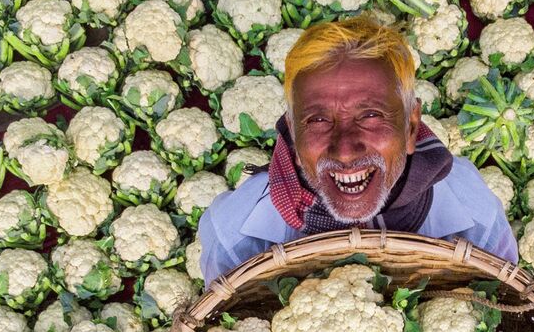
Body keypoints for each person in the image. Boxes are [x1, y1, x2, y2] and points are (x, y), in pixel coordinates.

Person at [197, 16, 517, 283]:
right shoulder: (235, 233)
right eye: (319, 119)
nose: (346, 150)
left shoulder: (472, 214)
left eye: (370, 115)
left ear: (410, 126)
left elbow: (507, 295)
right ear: (293, 136)